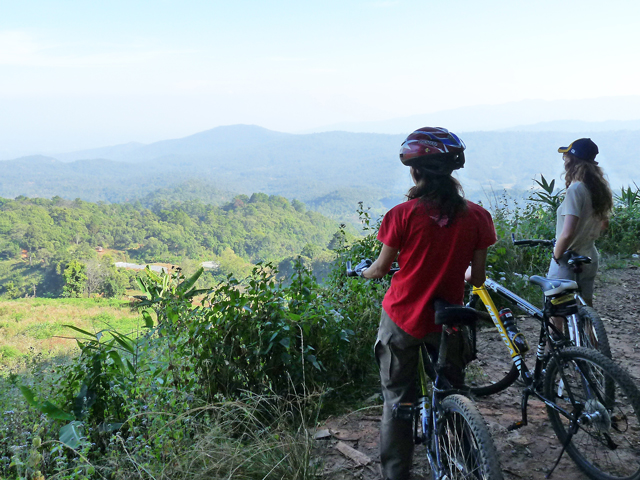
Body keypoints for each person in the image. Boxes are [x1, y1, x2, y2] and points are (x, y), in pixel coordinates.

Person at [358, 127, 497, 480]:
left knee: (398, 400)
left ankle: (396, 474)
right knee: (451, 388)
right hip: (448, 318)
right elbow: (477, 279)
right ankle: (464, 458)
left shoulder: (401, 215)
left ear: (415, 171)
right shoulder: (478, 217)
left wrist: (364, 273)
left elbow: (382, 268)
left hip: (403, 317)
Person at [549, 138, 613, 306]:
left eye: (566, 156)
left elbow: (568, 232)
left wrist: (556, 255)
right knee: (586, 307)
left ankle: (558, 334)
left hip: (568, 258)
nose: (564, 159)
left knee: (556, 307)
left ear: (572, 159)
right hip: (589, 255)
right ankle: (591, 334)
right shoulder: (598, 188)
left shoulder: (576, 189)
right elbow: (603, 224)